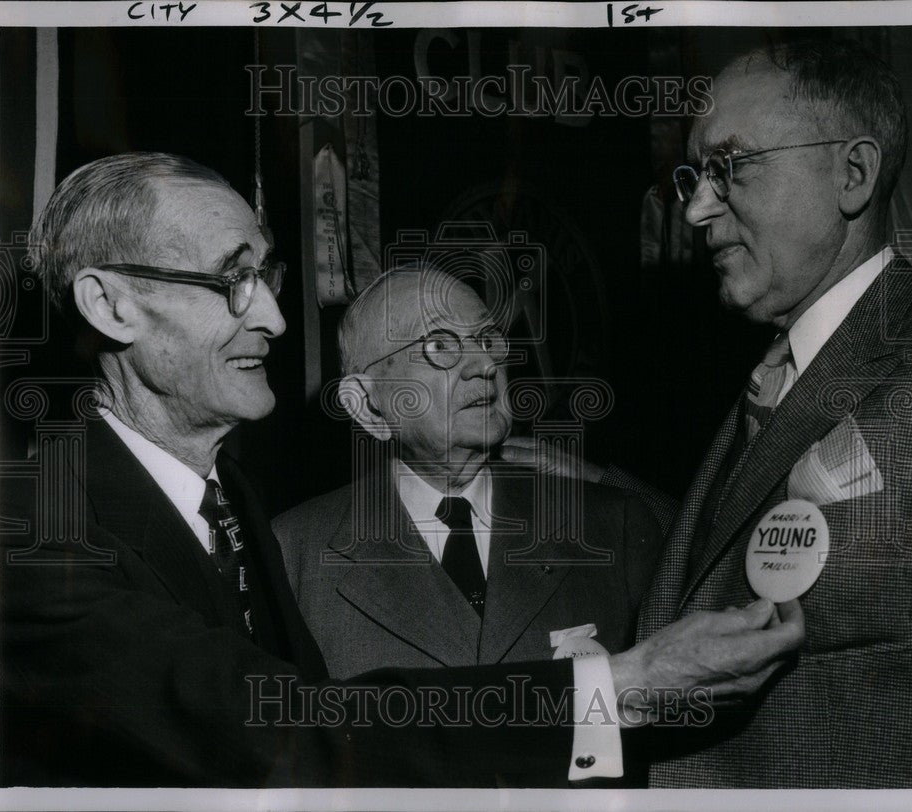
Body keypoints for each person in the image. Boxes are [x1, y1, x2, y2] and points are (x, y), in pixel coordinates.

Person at [0, 151, 805, 788]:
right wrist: (625, 683)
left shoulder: (228, 499)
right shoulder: (34, 537)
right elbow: (296, 731)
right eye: (230, 279)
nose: (276, 318)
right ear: (108, 307)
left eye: (268, 275)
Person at [632, 39, 912, 788]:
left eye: (730, 168)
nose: (698, 207)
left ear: (852, 174)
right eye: (694, 175)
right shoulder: (779, 371)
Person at [274, 268, 664, 689]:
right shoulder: (293, 555)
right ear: (369, 407)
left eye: (489, 340)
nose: (484, 364)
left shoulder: (612, 527)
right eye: (440, 345)